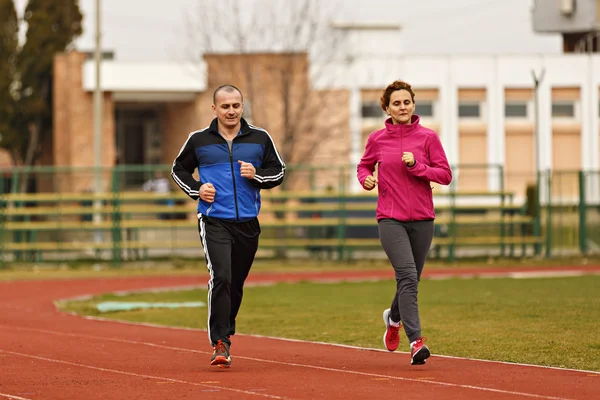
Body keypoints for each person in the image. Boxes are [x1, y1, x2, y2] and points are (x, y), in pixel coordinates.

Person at [171, 84, 285, 368]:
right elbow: (178, 169)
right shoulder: (198, 140)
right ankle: (220, 342)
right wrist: (198, 190)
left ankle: (225, 325)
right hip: (213, 220)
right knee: (221, 276)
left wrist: (257, 174)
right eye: (225, 106)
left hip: (248, 222)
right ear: (215, 109)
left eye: (235, 105)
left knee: (235, 284)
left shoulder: (260, 138)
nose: (231, 111)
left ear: (242, 106)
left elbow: (279, 171)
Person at [356, 80, 452, 365]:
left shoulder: (428, 138)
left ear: (413, 104)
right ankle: (416, 342)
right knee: (408, 277)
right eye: (396, 103)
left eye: (406, 102)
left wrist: (417, 167)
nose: (402, 107)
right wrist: (366, 179)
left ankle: (393, 318)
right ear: (387, 107)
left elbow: (445, 175)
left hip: (423, 219)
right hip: (390, 218)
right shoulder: (377, 139)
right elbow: (364, 165)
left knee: (411, 280)